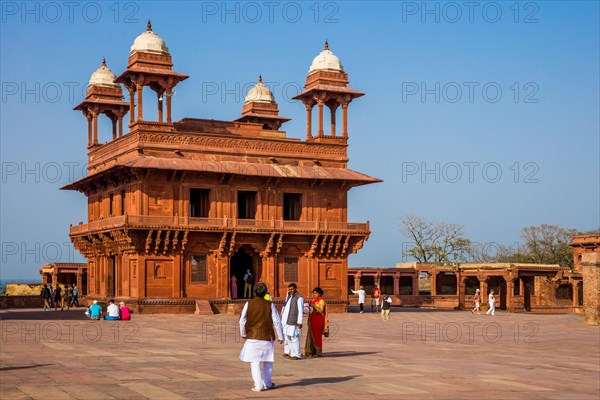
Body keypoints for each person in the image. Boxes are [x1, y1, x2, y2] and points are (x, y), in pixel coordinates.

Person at [239, 282, 284, 392]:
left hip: (253, 336)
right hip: (267, 337)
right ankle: (267, 383)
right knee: (268, 361)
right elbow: (277, 321)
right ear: (265, 293)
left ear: (254, 292)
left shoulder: (249, 304)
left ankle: (258, 385)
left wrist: (243, 333)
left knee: (255, 362)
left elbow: (242, 320)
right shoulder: (270, 304)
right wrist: (280, 336)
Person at [281, 283, 304, 360]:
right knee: (288, 338)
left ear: (295, 288)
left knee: (295, 338)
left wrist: (300, 322)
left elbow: (300, 310)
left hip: (294, 321)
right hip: (286, 321)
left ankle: (297, 354)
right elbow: (284, 307)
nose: (290, 290)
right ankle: (291, 353)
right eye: (289, 289)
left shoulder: (299, 298)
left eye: (292, 289)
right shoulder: (288, 297)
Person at [304, 287, 327, 358]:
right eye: (313, 293)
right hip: (312, 319)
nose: (314, 294)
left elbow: (321, 311)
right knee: (310, 336)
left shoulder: (321, 301)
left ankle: (318, 351)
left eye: (315, 293)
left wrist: (313, 306)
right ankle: (310, 351)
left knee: (317, 336)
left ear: (319, 294)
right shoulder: (314, 300)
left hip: (317, 320)